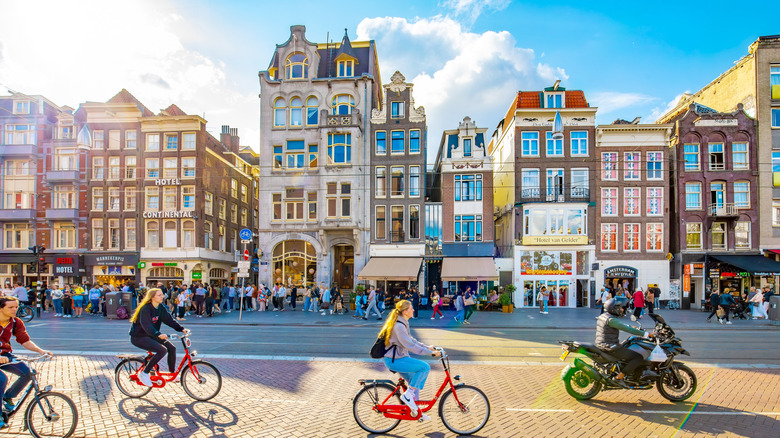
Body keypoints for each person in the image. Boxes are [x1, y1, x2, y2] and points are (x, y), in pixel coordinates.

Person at [377, 300, 441, 421]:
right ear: (405, 311)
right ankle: (407, 396)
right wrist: (430, 353)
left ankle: (416, 411)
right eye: (411, 308)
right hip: (395, 360)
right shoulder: (399, 326)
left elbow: (411, 340)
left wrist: (426, 347)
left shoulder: (403, 323)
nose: (413, 310)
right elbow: (410, 346)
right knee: (424, 367)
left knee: (414, 382)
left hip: (399, 358)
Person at [0, 296, 53, 428]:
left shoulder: (16, 322)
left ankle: (8, 397)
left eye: (16, 307)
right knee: (1, 379)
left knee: (29, 373)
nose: (14, 310)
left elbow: (24, 340)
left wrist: (40, 351)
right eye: (10, 307)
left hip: (4, 354)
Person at [129, 288, 189, 387]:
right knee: (162, 350)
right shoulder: (145, 308)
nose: (162, 297)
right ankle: (144, 374)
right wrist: (158, 334)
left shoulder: (160, 307)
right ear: (152, 297)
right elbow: (146, 326)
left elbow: (169, 320)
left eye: (162, 295)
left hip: (151, 334)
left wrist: (181, 328)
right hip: (139, 336)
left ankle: (172, 374)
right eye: (159, 295)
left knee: (172, 348)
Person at [596, 297, 655, 387]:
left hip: (603, 343)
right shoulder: (611, 320)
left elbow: (621, 325)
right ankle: (619, 377)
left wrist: (631, 326)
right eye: (621, 308)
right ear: (614, 308)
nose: (622, 310)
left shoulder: (604, 316)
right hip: (609, 346)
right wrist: (647, 334)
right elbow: (626, 329)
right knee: (638, 357)